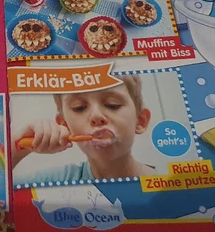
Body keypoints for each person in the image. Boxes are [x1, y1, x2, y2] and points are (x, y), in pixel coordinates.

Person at [11, 75, 155, 184]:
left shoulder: (165, 181)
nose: (96, 115)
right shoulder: (53, 182)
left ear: (140, 121)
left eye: (113, 104)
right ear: (65, 126)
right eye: (79, 107)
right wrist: (19, 146)